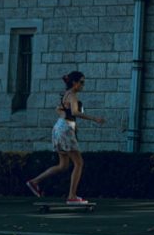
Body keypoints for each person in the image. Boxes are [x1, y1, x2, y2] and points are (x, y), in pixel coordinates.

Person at [26, 71, 105, 205]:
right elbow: (74, 112)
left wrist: (71, 124)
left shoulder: (66, 94)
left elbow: (59, 109)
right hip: (65, 129)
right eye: (81, 82)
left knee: (63, 165)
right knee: (79, 163)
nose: (83, 85)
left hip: (59, 127)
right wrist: (94, 119)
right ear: (74, 83)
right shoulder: (73, 95)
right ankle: (72, 196)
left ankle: (34, 182)